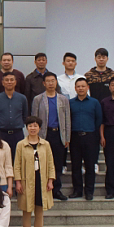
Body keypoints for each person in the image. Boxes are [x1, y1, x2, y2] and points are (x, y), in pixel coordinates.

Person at [14, 116, 55, 227]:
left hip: (41, 181)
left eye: (35, 126)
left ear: (40, 128)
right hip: (27, 182)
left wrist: (50, 180)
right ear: (26, 128)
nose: (32, 128)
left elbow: (50, 163)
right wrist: (18, 181)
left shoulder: (45, 144)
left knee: (39, 213)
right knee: (26, 212)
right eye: (30, 126)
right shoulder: (21, 144)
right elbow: (17, 165)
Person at [31, 72, 71, 201]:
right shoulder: (38, 99)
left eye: (53, 81)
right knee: (42, 163)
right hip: (44, 134)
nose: (50, 83)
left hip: (58, 134)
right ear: (44, 83)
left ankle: (56, 189)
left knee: (57, 164)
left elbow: (67, 119)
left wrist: (67, 137)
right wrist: (34, 137)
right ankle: (42, 190)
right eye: (48, 81)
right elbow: (34, 119)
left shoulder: (63, 99)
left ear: (56, 82)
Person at [69, 78, 103, 200]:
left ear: (87, 87)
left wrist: (97, 136)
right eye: (78, 86)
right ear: (75, 88)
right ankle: (77, 190)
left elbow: (99, 119)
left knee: (90, 165)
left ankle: (89, 191)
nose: (81, 88)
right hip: (75, 137)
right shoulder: (70, 103)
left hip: (90, 137)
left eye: (83, 86)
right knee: (75, 165)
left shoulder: (94, 102)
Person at [0, 72, 28, 165]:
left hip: (17, 134)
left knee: (18, 160)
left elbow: (25, 115)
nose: (9, 82)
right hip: (2, 134)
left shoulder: (22, 98)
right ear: (2, 83)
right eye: (6, 80)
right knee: (1, 159)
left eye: (11, 80)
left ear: (15, 82)